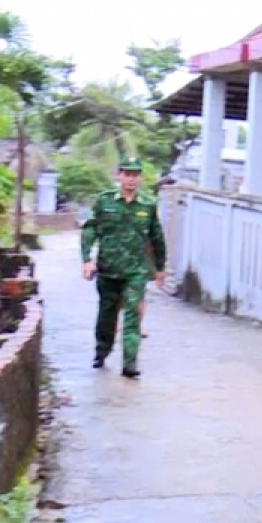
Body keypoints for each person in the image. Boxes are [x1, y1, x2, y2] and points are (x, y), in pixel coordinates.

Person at [81, 157, 166, 379]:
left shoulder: (147, 205)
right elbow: (90, 230)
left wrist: (159, 267)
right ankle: (102, 351)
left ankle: (130, 363)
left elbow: (157, 237)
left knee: (132, 316)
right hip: (108, 270)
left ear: (140, 177)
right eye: (127, 174)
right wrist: (87, 259)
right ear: (119, 175)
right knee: (107, 314)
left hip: (135, 272)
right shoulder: (105, 201)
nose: (131, 179)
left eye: (135, 174)